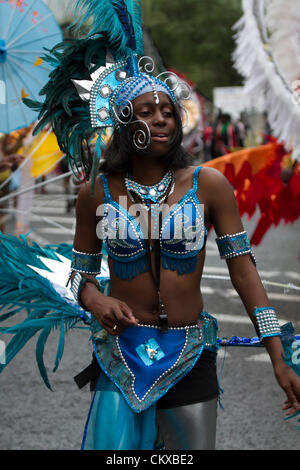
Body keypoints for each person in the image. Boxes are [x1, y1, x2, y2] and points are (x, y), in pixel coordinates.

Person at [13, 0, 300, 450]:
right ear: (122, 122)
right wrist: (96, 301)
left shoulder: (209, 185)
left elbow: (244, 270)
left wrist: (276, 352)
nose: (161, 118)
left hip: (190, 353)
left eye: (166, 110)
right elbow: (79, 276)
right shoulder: (96, 192)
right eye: (146, 111)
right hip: (120, 354)